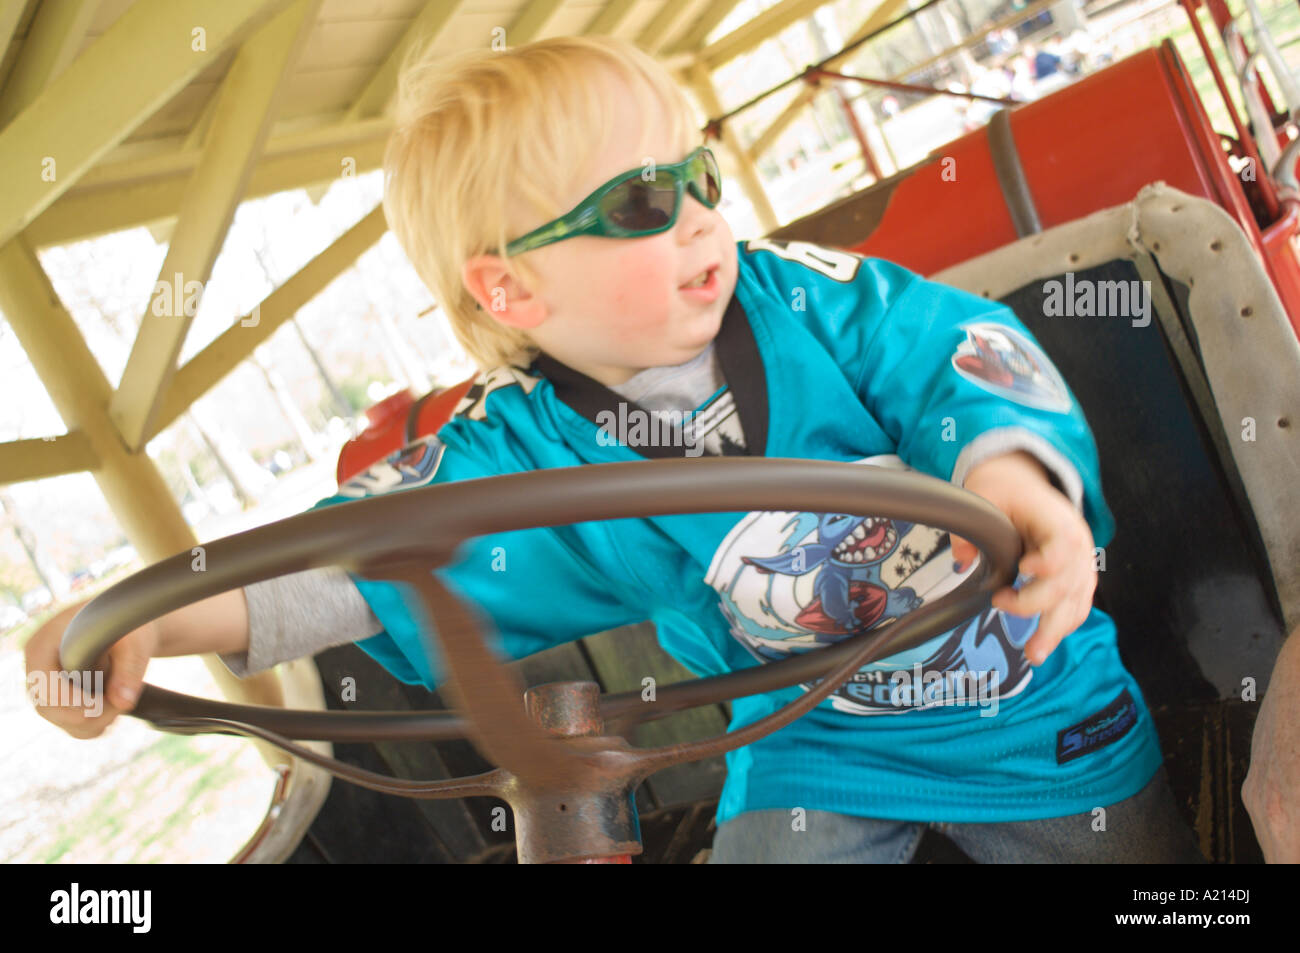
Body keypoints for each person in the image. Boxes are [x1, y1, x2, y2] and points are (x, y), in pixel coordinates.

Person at [25, 35, 1208, 864]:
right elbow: (363, 555)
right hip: (813, 743)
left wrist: (1013, 482)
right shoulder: (521, 454)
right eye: (641, 204)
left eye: (695, 173)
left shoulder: (812, 301)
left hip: (1024, 694)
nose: (701, 213)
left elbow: (954, 357)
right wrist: (149, 619)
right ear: (512, 285)